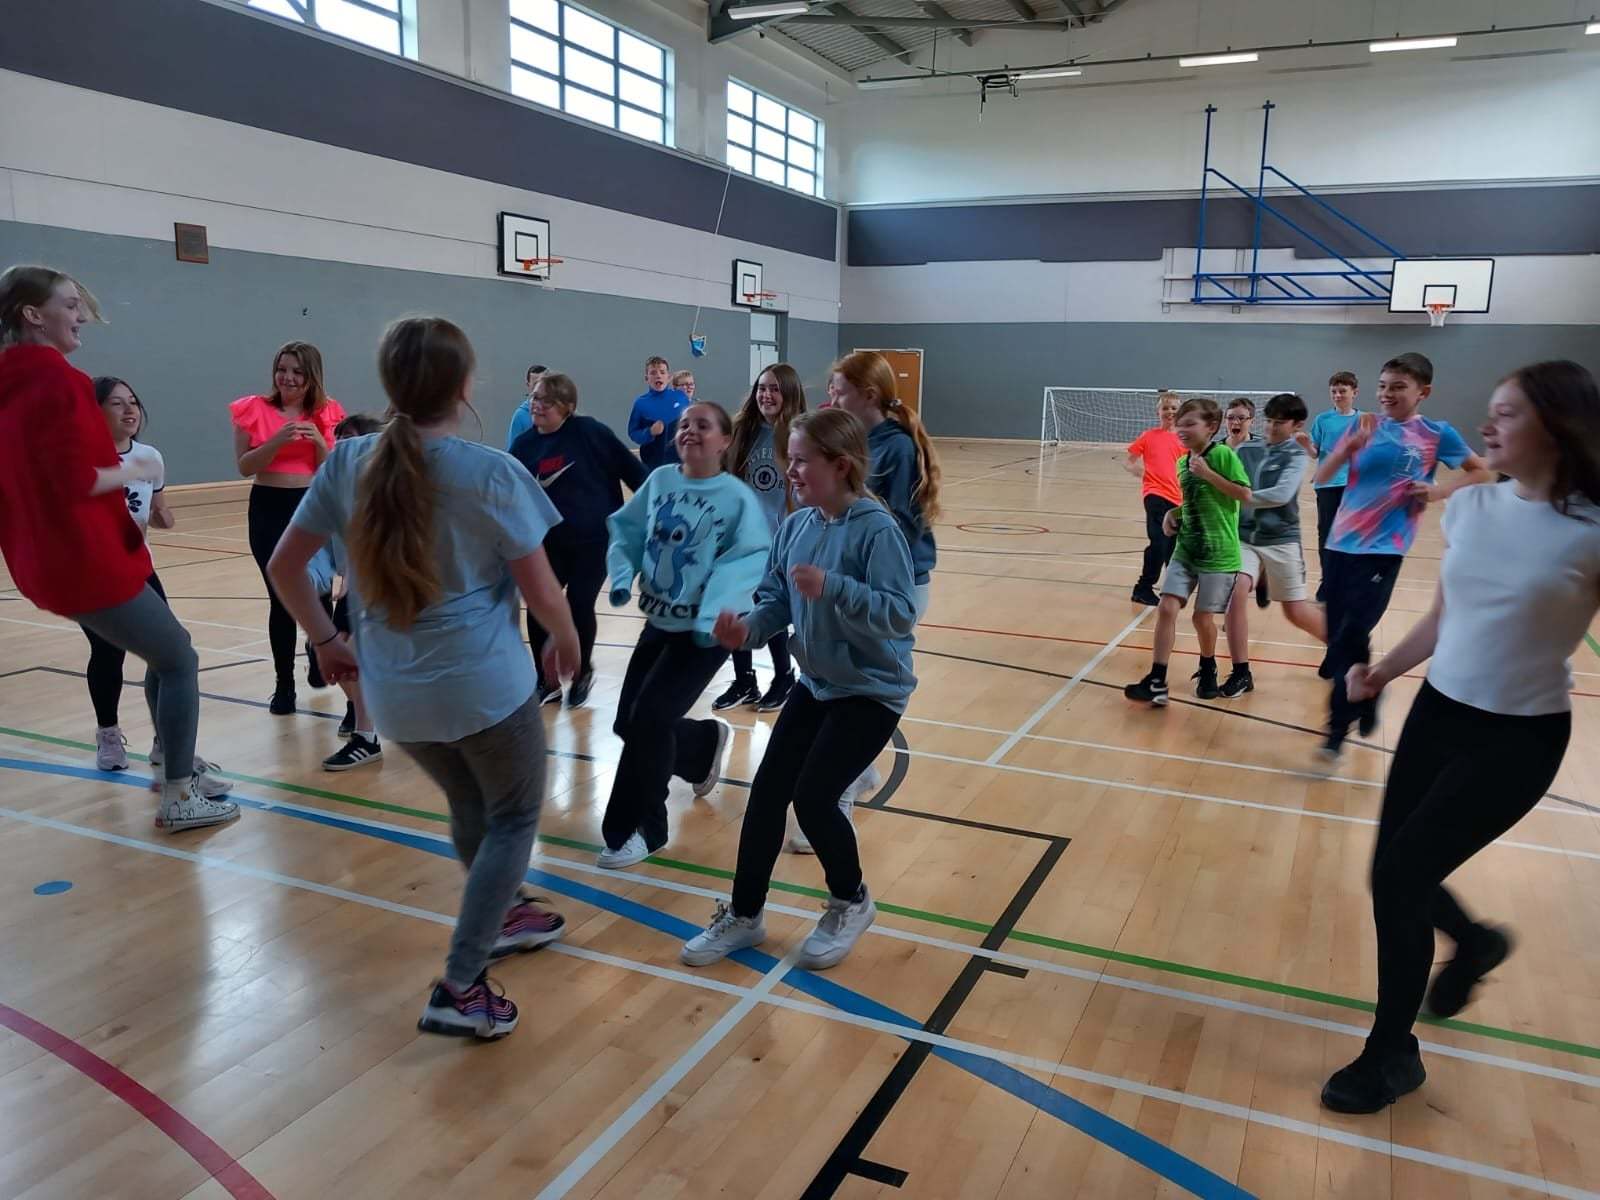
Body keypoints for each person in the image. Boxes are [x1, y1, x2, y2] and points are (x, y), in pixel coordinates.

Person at [267, 316, 580, 1041]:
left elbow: (287, 567)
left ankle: (502, 910)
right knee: (510, 817)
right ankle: (461, 984)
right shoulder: (492, 471)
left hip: (395, 697)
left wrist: (324, 639)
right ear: (466, 385)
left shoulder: (346, 462)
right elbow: (542, 592)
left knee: (473, 803)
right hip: (484, 691)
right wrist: (565, 640)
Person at [1320, 360, 1600, 1114]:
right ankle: (1473, 943)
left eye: (1507, 414)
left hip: (1520, 739)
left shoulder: (1593, 532)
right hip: (1439, 718)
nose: (1487, 424)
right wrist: (1380, 676)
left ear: (1558, 426)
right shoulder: (1472, 507)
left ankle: (1390, 1056)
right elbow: (1449, 616)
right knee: (1391, 875)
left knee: (1404, 876)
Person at [0, 264, 236, 832]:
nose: (80, 316)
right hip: (88, 559)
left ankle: (168, 756)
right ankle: (179, 794)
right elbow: (79, 478)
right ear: (35, 315)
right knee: (179, 658)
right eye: (69, 305)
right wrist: (136, 466)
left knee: (165, 652)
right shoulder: (60, 381)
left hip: (48, 562)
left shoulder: (11, 380)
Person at [682, 408, 917, 970]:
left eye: (801, 460)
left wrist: (834, 587)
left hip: (871, 690)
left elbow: (900, 615)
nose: (790, 471)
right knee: (767, 795)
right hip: (817, 684)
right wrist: (747, 629)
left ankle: (851, 899)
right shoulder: (796, 526)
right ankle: (745, 915)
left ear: (839, 466)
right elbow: (776, 603)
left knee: (814, 797)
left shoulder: (876, 530)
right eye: (789, 459)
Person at [598, 401, 771, 869]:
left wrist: (710, 615)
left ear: (724, 440)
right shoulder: (660, 481)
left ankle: (641, 829)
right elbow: (627, 532)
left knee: (650, 720)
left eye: (702, 425)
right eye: (684, 425)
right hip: (659, 623)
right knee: (627, 724)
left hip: (704, 635)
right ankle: (699, 749)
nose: (690, 431)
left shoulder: (735, 498)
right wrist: (620, 575)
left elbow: (747, 561)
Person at [1314, 353, 1492, 761]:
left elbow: (1480, 471)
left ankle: (1337, 725)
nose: (1386, 394)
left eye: (1397, 387)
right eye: (1382, 386)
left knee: (1350, 634)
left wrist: (1439, 491)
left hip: (1384, 548)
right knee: (1344, 636)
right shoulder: (1365, 426)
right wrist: (1345, 451)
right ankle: (1370, 690)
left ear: (1423, 392)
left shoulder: (1436, 433)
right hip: (1341, 543)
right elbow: (1322, 477)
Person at [83, 378, 233, 799]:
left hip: (140, 568)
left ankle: (165, 743)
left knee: (165, 654)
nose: (129, 410)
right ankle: (108, 733)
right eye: (117, 403)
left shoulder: (149, 456)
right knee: (108, 653)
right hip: (95, 575)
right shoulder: (85, 459)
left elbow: (159, 509)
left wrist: (164, 518)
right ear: (95, 412)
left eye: (133, 403)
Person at [826, 351, 941, 809]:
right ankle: (860, 769)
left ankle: (841, 791)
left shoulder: (892, 449)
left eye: (839, 390)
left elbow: (888, 530)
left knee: (861, 684)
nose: (830, 397)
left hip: (897, 585)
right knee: (843, 677)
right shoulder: (859, 442)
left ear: (867, 395)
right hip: (867, 581)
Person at [508, 371, 648, 707]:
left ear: (567, 406)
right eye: (534, 398)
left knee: (580, 602)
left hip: (595, 540)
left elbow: (636, 474)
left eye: (546, 401)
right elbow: (510, 497)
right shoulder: (525, 445)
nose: (536, 405)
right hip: (547, 543)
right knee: (539, 606)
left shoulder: (590, 433)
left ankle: (582, 670)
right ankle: (546, 680)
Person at [231, 341, 346, 714]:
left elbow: (332, 471)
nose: (288, 377)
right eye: (283, 369)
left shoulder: (328, 413)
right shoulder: (255, 409)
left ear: (312, 375)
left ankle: (320, 650)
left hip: (312, 507)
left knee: (322, 591)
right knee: (280, 597)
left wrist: (318, 445)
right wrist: (277, 441)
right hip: (268, 507)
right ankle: (284, 685)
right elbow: (245, 466)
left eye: (297, 371)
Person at [1124, 397, 1250, 705]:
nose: (1182, 429)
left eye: (1190, 423)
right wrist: (1173, 514)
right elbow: (1193, 504)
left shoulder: (1222, 455)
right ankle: (1157, 680)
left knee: (1201, 618)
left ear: (1211, 427)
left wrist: (1208, 474)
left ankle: (1208, 668)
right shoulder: (1183, 463)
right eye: (1179, 424)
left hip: (1219, 554)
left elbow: (1245, 495)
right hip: (1187, 549)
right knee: (1166, 607)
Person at [1218, 393, 1328, 698]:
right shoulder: (1246, 449)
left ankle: (1344, 648)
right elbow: (1220, 479)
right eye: (1270, 421)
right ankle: (1241, 672)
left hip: (1281, 539)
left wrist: (1244, 496)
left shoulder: (1295, 455)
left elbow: (1281, 494)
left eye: (1280, 423)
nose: (1272, 428)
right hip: (1245, 538)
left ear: (1297, 425)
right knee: (1234, 589)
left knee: (1295, 613)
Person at [712, 364, 806, 713]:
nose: (766, 395)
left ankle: (784, 675)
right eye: (762, 388)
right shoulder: (742, 431)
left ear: (790, 394)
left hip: (781, 539)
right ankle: (744, 680)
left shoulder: (801, 434)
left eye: (775, 389)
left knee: (769, 607)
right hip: (740, 539)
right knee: (737, 606)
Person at [311, 411, 388, 771]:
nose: (341, 446)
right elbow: (321, 548)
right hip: (359, 590)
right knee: (331, 648)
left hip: (394, 591)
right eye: (338, 439)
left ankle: (367, 730)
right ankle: (365, 727)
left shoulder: (389, 492)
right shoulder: (335, 493)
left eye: (351, 439)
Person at [1122, 392, 1184, 607]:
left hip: (1179, 501)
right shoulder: (1149, 436)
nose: (1170, 412)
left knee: (1173, 548)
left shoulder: (1185, 440)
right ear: (1158, 411)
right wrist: (1140, 472)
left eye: (1174, 408)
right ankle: (1143, 588)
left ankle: (1173, 589)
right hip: (1155, 495)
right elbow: (1129, 461)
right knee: (1158, 542)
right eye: (1166, 408)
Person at [1309, 371, 1361, 602]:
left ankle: (1350, 582)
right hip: (1328, 485)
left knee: (1351, 534)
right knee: (1326, 534)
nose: (1338, 395)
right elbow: (1315, 452)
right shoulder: (1322, 420)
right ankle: (1328, 581)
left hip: (1356, 487)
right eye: (1334, 392)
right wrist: (1304, 444)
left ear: (1354, 393)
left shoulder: (1365, 421)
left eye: (1343, 391)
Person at [627, 355, 690, 470]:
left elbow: (693, 426)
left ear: (669, 377)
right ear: (647, 378)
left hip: (682, 465)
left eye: (662, 372)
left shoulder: (681, 397)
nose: (658, 376)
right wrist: (649, 432)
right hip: (653, 467)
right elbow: (633, 433)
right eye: (653, 373)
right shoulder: (640, 404)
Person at [504, 363, 547, 449]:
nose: (539, 387)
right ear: (528, 385)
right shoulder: (520, 416)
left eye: (543, 383)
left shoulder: (557, 411)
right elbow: (512, 451)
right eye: (535, 384)